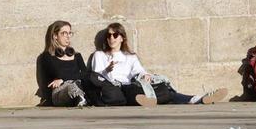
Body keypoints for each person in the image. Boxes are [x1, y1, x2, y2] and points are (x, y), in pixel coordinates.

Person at [86, 22, 227, 107]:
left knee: (163, 89)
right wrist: (107, 70)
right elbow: (96, 78)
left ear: (122, 38)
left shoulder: (130, 57)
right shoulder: (100, 55)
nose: (111, 38)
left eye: (115, 35)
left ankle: (197, 98)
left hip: (130, 85)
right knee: (133, 92)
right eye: (109, 36)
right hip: (115, 88)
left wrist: (145, 75)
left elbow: (139, 71)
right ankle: (192, 99)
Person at [36, 20, 88, 107]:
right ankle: (80, 98)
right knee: (71, 88)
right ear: (55, 36)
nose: (68, 36)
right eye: (64, 33)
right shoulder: (47, 57)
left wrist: (62, 79)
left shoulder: (77, 55)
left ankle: (82, 98)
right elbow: (57, 74)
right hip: (60, 91)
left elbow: (85, 74)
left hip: (78, 84)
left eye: (69, 33)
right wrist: (67, 79)